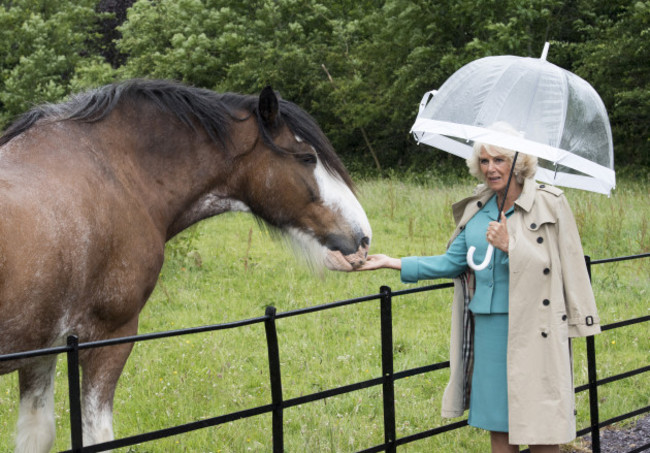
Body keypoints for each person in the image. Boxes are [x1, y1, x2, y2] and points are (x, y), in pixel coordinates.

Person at [357, 122, 601, 452]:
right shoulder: (477, 210)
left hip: (534, 328)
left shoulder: (551, 204)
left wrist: (510, 244)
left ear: (519, 163)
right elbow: (452, 262)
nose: (490, 168)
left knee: (540, 428)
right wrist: (393, 262)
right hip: (487, 330)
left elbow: (562, 265)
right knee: (498, 424)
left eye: (499, 160)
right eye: (484, 161)